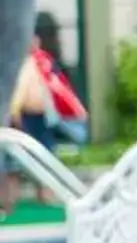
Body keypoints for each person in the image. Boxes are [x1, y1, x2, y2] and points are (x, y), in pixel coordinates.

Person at [10, 13, 86, 151]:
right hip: (33, 114)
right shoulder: (34, 62)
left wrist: (15, 108)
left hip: (37, 114)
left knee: (38, 148)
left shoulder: (36, 62)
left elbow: (27, 87)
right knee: (37, 148)